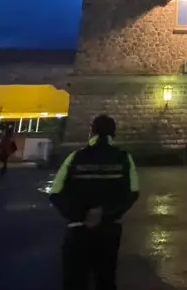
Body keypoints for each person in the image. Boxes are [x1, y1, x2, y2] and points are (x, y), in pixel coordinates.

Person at [49, 114, 140, 290]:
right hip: (108, 230)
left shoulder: (75, 157)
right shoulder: (123, 158)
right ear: (114, 134)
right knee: (105, 279)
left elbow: (55, 192)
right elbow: (133, 192)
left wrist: (81, 214)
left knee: (74, 281)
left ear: (92, 132)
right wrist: (105, 214)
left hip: (78, 229)